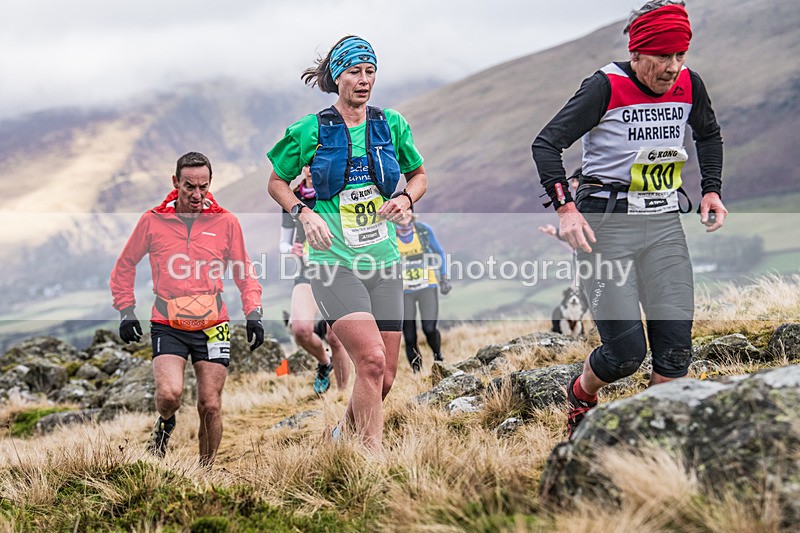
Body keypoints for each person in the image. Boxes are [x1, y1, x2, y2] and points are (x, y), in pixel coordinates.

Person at [531, 0, 727, 437]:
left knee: (675, 353)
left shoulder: (690, 84)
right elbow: (546, 144)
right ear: (636, 52)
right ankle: (581, 393)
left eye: (680, 55)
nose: (672, 67)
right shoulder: (605, 86)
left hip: (663, 225)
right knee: (624, 355)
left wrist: (711, 189)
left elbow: (708, 134)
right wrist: (566, 208)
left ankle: (648, 446)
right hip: (606, 228)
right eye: (662, 56)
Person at [267, 35, 427, 451]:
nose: (364, 80)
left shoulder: (391, 124)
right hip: (332, 261)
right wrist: (304, 214)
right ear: (338, 76)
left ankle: (340, 438)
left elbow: (419, 175)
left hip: (384, 261)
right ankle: (370, 464)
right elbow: (277, 182)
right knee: (370, 361)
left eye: (370, 71)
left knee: (384, 377)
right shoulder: (310, 129)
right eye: (355, 71)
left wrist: (405, 199)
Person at [110, 151, 265, 465]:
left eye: (203, 187)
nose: (197, 194)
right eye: (189, 186)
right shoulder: (152, 221)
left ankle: (205, 473)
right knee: (169, 395)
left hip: (213, 324)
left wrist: (254, 313)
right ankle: (165, 422)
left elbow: (244, 270)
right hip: (168, 323)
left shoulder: (226, 222)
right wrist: (126, 310)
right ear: (175, 182)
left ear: (210, 184)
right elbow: (125, 264)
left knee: (210, 405)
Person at [279, 165, 351, 393]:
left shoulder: (337, 191)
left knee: (335, 336)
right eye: (307, 164)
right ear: (302, 167)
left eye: (315, 163)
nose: (310, 169)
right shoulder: (293, 199)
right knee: (300, 329)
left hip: (337, 271)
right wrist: (291, 249)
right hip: (307, 272)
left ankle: (341, 394)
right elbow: (283, 243)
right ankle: (324, 362)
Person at [395, 209, 450, 371]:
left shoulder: (423, 230)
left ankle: (438, 358)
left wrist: (444, 277)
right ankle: (417, 373)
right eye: (398, 211)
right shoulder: (389, 234)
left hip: (427, 286)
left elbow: (439, 252)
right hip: (403, 292)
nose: (403, 214)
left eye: (407, 209)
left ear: (412, 212)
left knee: (429, 329)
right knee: (410, 336)